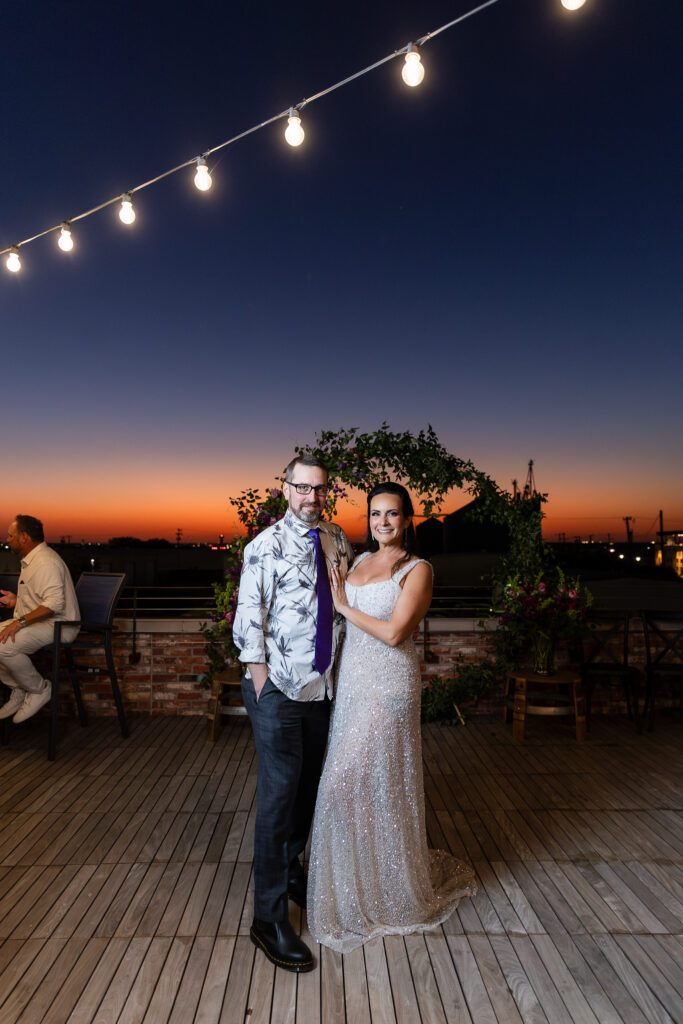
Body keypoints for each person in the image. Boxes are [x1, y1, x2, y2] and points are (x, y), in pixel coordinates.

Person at [307, 482, 477, 953]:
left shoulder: (418, 569)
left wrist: (343, 606)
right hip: (354, 684)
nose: (383, 522)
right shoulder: (360, 562)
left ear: (408, 519)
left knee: (343, 781)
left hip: (389, 687)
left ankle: (388, 892)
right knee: (368, 784)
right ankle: (362, 883)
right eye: (376, 514)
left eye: (393, 514)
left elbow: (396, 632)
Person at [233, 455, 354, 972]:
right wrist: (263, 686)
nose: (311, 498)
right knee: (280, 797)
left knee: (308, 789)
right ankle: (267, 918)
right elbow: (248, 621)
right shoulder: (263, 547)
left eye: (320, 490)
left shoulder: (336, 538)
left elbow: (343, 600)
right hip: (278, 690)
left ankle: (292, 870)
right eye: (302, 488)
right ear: (286, 489)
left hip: (322, 689)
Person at [0, 516, 80, 723]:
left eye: (11, 535)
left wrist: (19, 622)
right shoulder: (33, 560)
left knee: (4, 646)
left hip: (60, 626)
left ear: (24, 537)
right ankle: (18, 687)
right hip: (41, 622)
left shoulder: (46, 561)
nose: (7, 539)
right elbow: (41, 599)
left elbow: (54, 605)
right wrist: (16, 600)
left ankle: (39, 689)